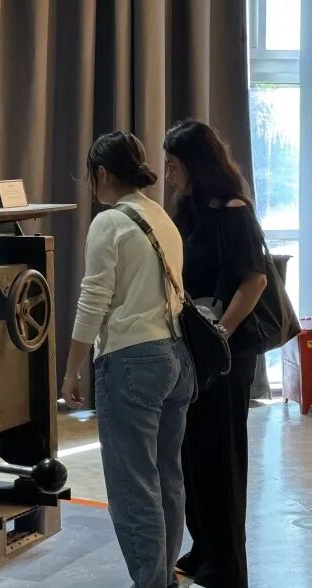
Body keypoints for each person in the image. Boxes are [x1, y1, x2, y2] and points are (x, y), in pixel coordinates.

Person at [61, 131, 195, 588]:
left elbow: (93, 301)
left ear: (101, 173)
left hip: (130, 361)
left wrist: (72, 368)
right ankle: (164, 578)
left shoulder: (110, 223)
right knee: (166, 477)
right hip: (175, 357)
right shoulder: (161, 217)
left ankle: (151, 583)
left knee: (132, 485)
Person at [164, 120, 268, 588]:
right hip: (197, 349)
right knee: (193, 454)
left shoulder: (233, 211)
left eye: (174, 165)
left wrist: (221, 334)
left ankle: (226, 566)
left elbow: (254, 281)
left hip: (227, 353)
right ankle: (203, 547)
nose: (168, 175)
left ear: (195, 165)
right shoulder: (191, 209)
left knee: (221, 458)